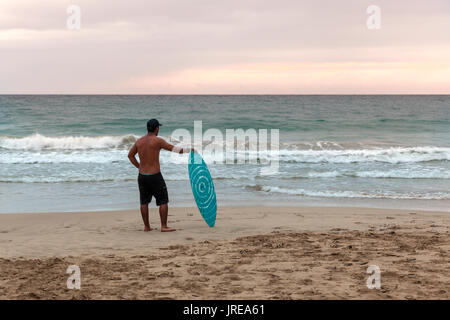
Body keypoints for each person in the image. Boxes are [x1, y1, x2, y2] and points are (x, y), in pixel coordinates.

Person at [128, 119, 194, 232]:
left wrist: (139, 167)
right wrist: (189, 150)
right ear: (157, 128)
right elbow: (175, 149)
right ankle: (163, 226)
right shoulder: (157, 141)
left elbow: (130, 156)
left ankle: (146, 227)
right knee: (163, 201)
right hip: (155, 176)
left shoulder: (139, 141)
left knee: (144, 202)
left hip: (142, 176)